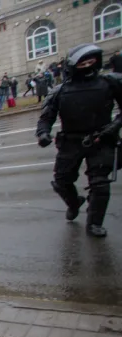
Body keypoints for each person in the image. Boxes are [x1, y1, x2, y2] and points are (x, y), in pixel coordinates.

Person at [37, 43, 122, 238]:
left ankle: (94, 223)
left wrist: (113, 128)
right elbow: (46, 116)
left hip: (101, 139)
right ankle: (74, 203)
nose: (87, 64)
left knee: (100, 184)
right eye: (83, 61)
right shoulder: (60, 90)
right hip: (70, 142)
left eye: (91, 60)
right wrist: (43, 133)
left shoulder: (110, 82)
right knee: (61, 181)